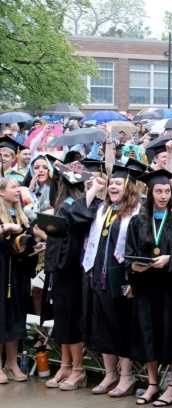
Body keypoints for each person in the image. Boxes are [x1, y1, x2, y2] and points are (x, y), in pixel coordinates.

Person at [73, 164, 143, 397]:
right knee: (101, 323)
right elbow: (76, 213)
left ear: (129, 187)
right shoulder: (103, 208)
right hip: (96, 275)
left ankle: (127, 376)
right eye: (110, 183)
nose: (112, 186)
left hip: (120, 276)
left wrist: (133, 280)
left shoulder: (138, 213)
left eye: (117, 183)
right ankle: (110, 373)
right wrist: (94, 187)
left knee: (119, 324)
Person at [126, 169, 172, 406]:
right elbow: (129, 253)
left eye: (167, 191)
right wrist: (134, 270)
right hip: (146, 286)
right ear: (150, 193)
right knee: (148, 332)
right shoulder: (137, 220)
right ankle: (152, 384)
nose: (163, 196)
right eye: (158, 191)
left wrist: (170, 259)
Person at [38, 163, 92, 390]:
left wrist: (46, 235)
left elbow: (70, 241)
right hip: (62, 270)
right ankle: (65, 364)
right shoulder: (69, 205)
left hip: (72, 270)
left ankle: (78, 369)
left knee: (71, 317)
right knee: (62, 317)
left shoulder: (74, 205)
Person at [0, 177, 39, 384]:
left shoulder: (22, 216)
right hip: (1, 273)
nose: (18, 190)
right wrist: (7, 226)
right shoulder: (3, 217)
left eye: (18, 187)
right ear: (1, 192)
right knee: (1, 317)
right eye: (13, 187)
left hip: (18, 274)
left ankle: (12, 363)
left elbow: (24, 246)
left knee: (16, 316)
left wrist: (35, 250)